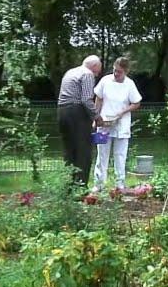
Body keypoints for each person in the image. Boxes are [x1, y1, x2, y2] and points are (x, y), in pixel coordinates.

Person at [91, 56, 142, 192]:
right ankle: (99, 184)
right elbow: (99, 98)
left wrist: (122, 112)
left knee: (120, 155)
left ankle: (120, 184)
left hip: (121, 125)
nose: (116, 73)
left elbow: (136, 103)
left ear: (126, 71)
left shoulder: (129, 84)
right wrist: (95, 118)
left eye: (119, 71)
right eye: (114, 70)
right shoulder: (105, 80)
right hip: (104, 123)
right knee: (102, 154)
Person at [57, 55, 103, 188]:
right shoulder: (87, 74)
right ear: (94, 66)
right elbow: (86, 99)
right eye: (98, 70)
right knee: (83, 151)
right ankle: (80, 187)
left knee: (69, 150)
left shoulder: (70, 72)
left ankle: (68, 185)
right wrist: (96, 116)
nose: (98, 73)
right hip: (77, 113)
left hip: (62, 111)